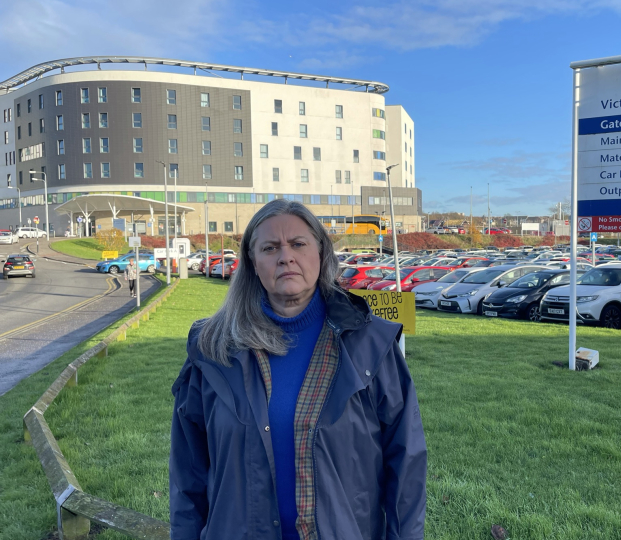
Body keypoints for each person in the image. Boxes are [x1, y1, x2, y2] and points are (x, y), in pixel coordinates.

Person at [169, 200, 427, 540]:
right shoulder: (213, 349)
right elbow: (188, 475)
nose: (285, 257)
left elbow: (406, 465)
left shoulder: (372, 345)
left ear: (320, 253)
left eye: (298, 244)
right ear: (253, 262)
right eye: (270, 247)